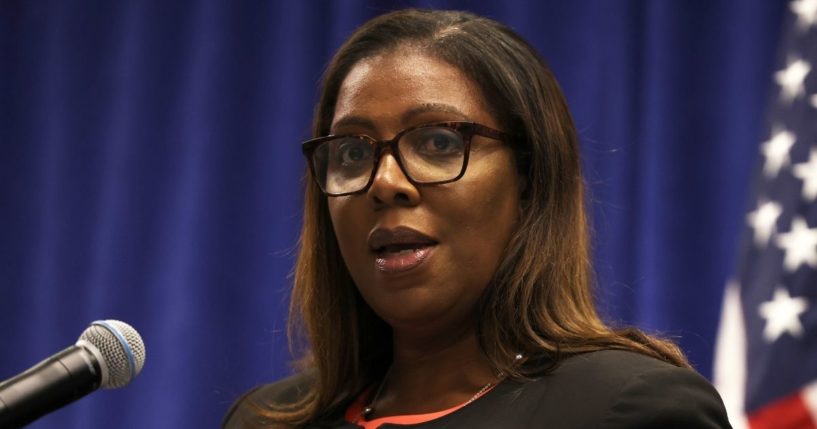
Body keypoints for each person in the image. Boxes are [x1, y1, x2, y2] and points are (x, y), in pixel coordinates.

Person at [224, 8, 731, 429]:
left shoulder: (627, 410)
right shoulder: (265, 420)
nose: (384, 182)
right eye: (353, 153)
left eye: (439, 142)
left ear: (529, 179)